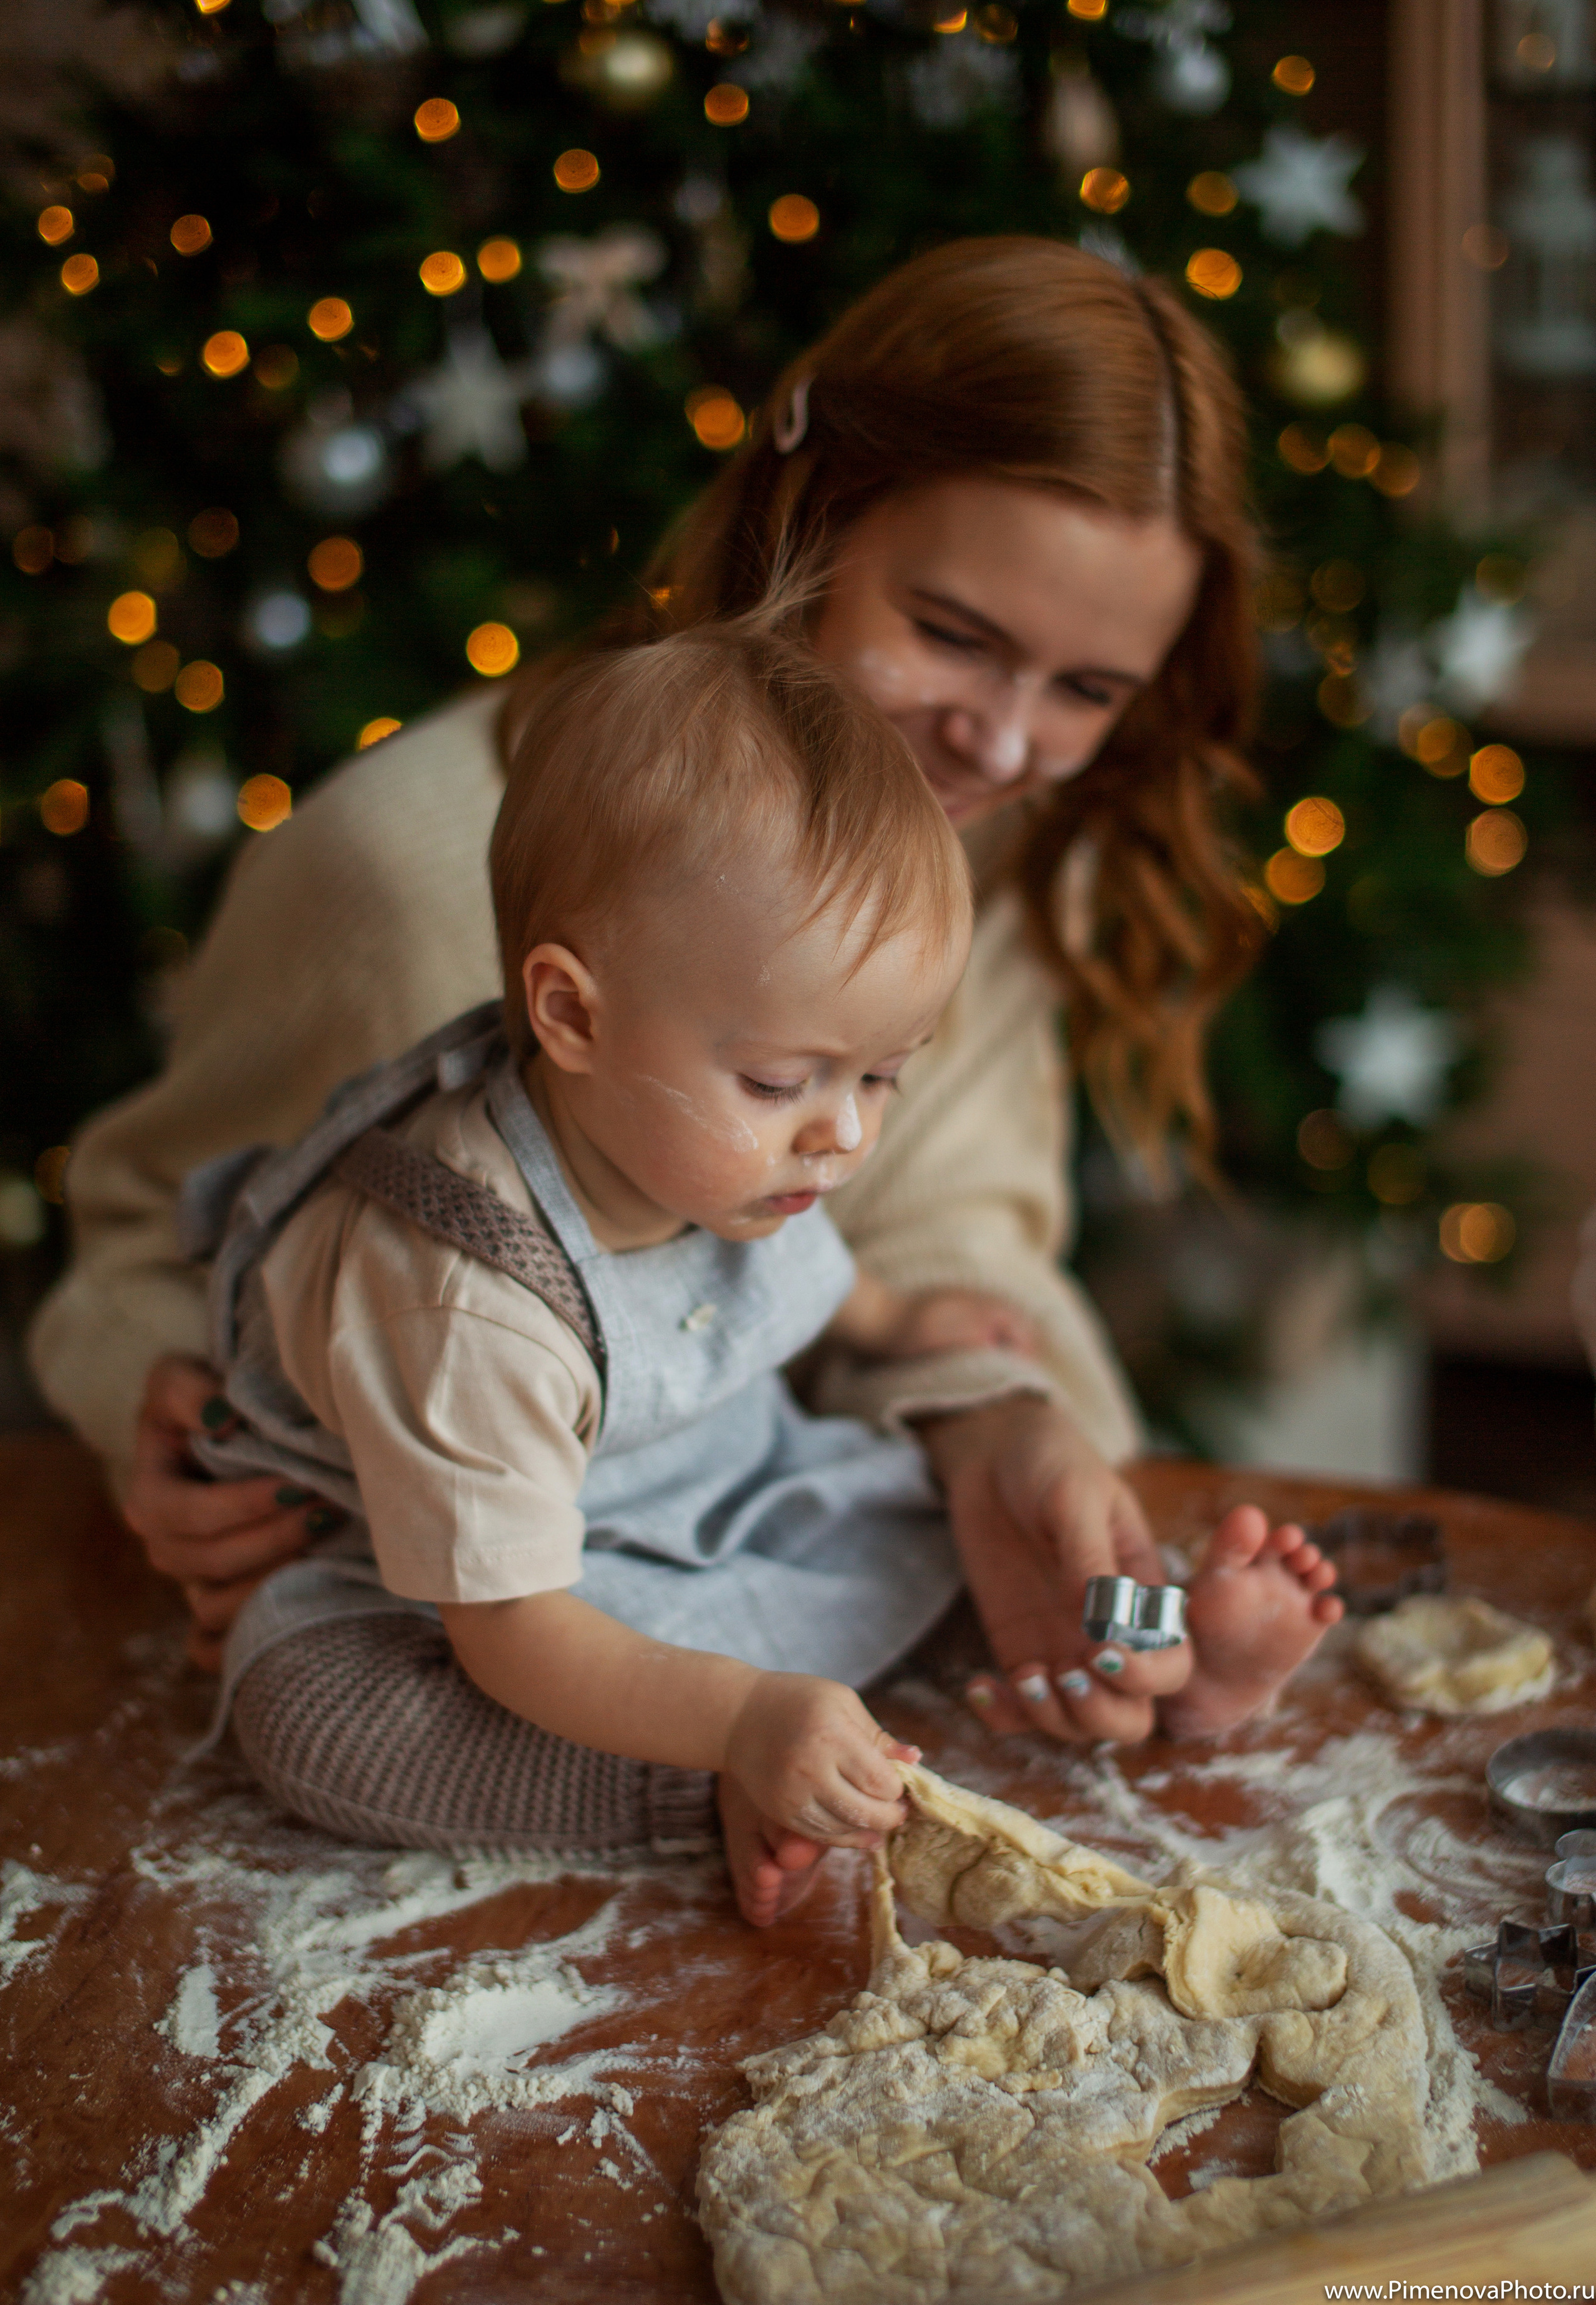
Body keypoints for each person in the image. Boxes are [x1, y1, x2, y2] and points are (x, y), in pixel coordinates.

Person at [30, 236, 1299, 1751]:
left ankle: (1174, 1656)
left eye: (1087, 691)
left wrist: (992, 1419)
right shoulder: (401, 874)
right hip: (476, 1582)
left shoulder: (1004, 850)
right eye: (953, 638)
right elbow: (147, 1236)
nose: (1006, 745)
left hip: (760, 1526)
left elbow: (937, 1234)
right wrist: (165, 1400)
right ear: (805, 518)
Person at [193, 614, 1340, 1923]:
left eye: (881, 1076)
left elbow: (809, 1270)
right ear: (570, 1013)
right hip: (494, 1597)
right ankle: (710, 1784)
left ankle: (1163, 1643)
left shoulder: (715, 1137)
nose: (841, 1134)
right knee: (315, 1716)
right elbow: (511, 1630)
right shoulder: (465, 1295)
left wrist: (895, 1319)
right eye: (784, 1080)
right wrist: (735, 1719)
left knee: (959, 1533)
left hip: (735, 1501)